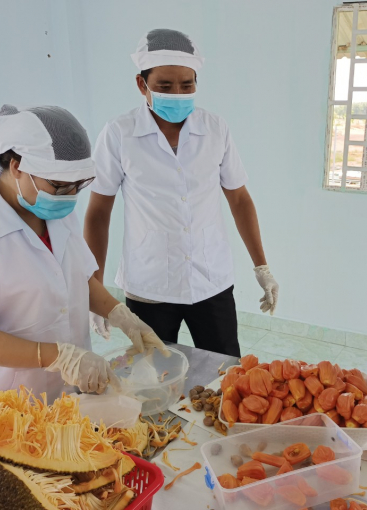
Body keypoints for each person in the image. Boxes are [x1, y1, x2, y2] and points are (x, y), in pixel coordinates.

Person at [0, 105, 167, 407]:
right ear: (16, 167)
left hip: (66, 398)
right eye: (59, 185)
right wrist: (57, 356)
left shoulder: (55, 208)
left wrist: (122, 316)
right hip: (1, 406)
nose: (68, 195)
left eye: (78, 186)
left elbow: (79, 277)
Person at [84, 29, 278, 357]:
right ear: (141, 84)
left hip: (211, 281)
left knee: (225, 371)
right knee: (154, 377)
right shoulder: (120, 133)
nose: (177, 94)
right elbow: (98, 212)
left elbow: (240, 199)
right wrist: (94, 289)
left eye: (187, 85)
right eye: (164, 86)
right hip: (150, 284)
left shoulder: (215, 129)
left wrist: (262, 267)